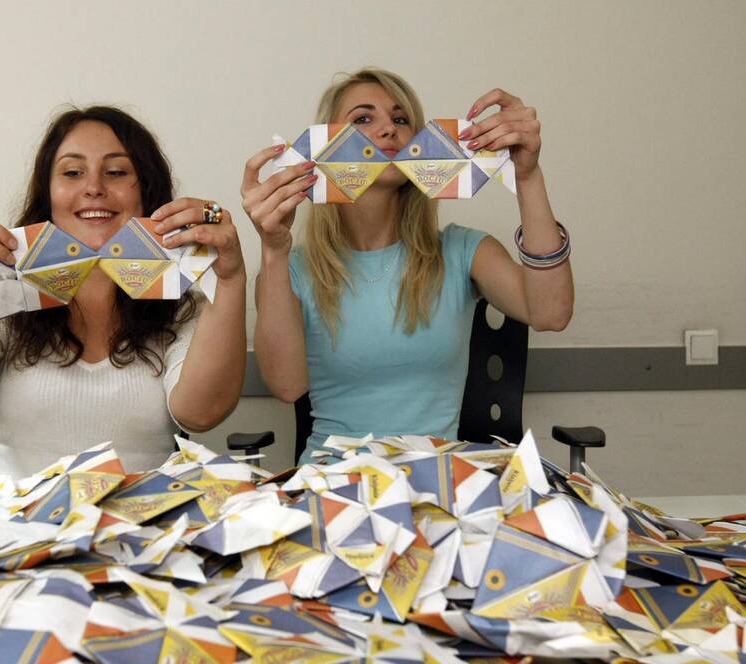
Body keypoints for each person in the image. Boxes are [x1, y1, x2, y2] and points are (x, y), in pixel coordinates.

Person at [242, 68, 574, 462]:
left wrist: (527, 175)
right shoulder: (293, 269)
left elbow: (551, 313)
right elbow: (286, 386)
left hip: (436, 480)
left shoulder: (461, 250)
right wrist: (273, 249)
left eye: (400, 119)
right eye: (363, 119)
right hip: (332, 479)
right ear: (325, 147)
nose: (388, 129)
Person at [0, 105, 247, 476]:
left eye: (116, 172)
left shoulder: (179, 301)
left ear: (147, 191)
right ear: (48, 194)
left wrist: (230, 280)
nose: (94, 188)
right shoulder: (5, 290)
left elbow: (200, 414)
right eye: (72, 172)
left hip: (147, 511)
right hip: (18, 512)